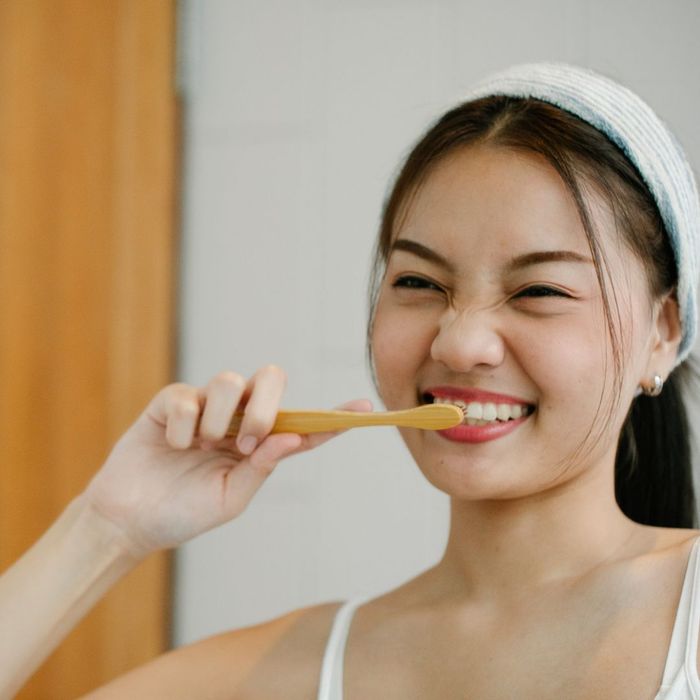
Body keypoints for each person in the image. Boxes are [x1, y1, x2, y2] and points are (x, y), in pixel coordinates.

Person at [1, 61, 699, 699]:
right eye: (419, 281)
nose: (460, 342)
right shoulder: (291, 671)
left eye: (539, 290)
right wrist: (105, 530)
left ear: (662, 332)